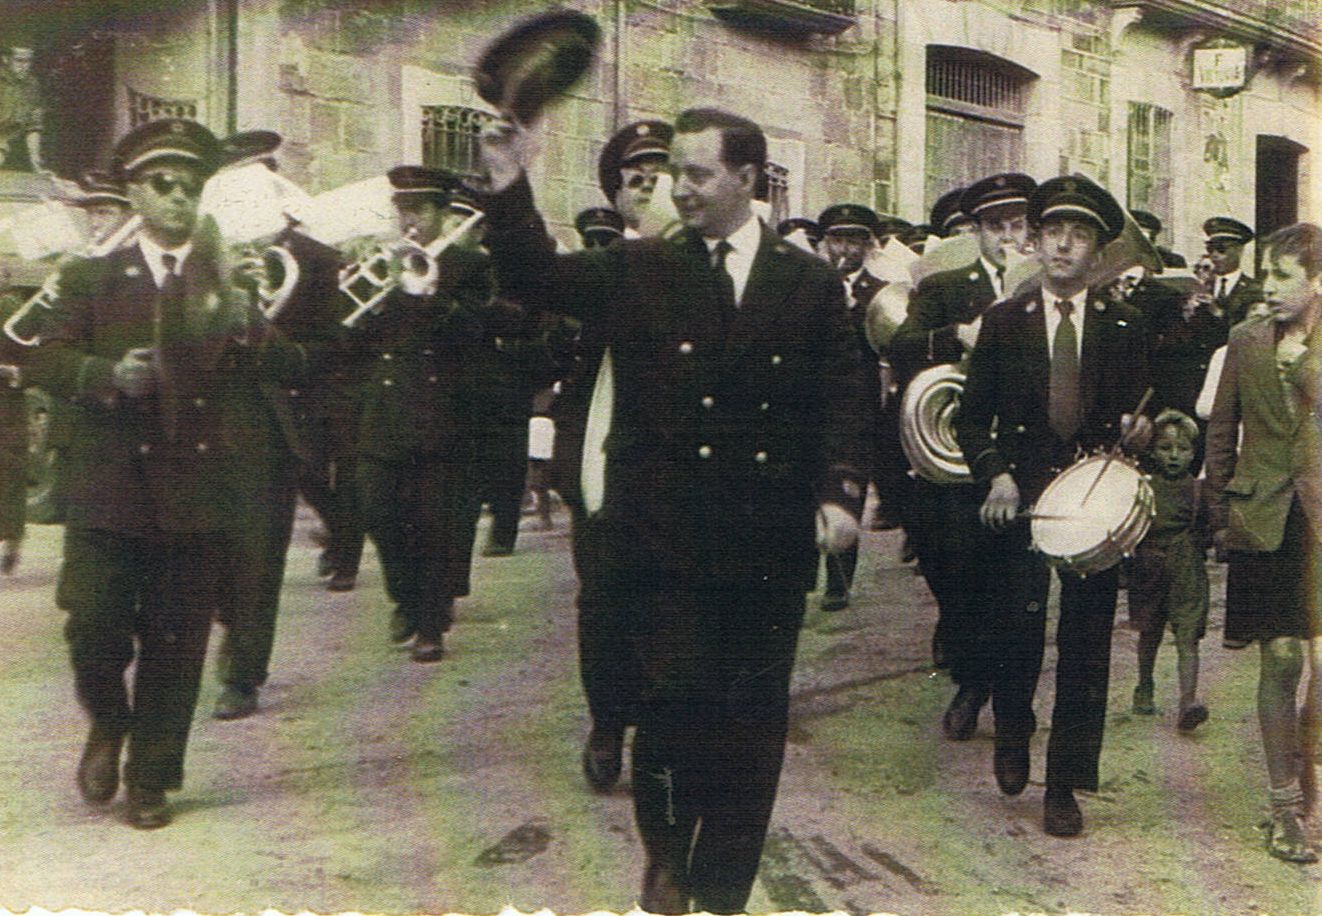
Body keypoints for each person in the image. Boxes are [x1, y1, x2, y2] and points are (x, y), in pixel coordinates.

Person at [477, 106, 868, 914]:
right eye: (669, 175)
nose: (674, 189)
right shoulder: (643, 267)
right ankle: (668, 857)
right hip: (664, 543)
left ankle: (721, 889)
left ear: (747, 181)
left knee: (753, 729)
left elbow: (844, 395)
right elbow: (532, 277)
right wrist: (510, 181)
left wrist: (838, 491)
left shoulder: (808, 284)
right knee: (671, 707)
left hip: (765, 545)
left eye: (695, 173)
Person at [27, 117, 304, 828]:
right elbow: (41, 358)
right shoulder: (90, 276)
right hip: (108, 488)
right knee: (92, 627)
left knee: (177, 641)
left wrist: (250, 327)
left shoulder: (227, 279)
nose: (179, 196)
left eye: (190, 185)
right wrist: (104, 372)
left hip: (199, 488)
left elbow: (293, 367)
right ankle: (109, 722)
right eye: (162, 184)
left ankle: (150, 778)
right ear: (135, 195)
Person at [954, 174, 1152, 838]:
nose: (1065, 246)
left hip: (1090, 504)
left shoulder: (1124, 325)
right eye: (1054, 234)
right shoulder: (1006, 322)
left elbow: (1139, 414)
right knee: (1015, 626)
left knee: (1087, 644)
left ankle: (1063, 782)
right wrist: (997, 476)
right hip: (1018, 501)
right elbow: (971, 419)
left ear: (1095, 251)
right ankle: (1013, 726)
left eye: (1080, 235)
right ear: (1035, 244)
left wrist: (1141, 431)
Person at [890, 172, 1035, 721]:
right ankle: (973, 678)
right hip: (954, 452)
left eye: (1017, 224)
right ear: (976, 232)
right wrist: (955, 335)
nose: (1008, 236)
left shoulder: (1046, 286)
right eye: (995, 226)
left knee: (1015, 581)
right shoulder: (945, 287)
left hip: (1020, 451)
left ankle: (1001, 698)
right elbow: (902, 347)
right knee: (956, 571)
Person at [1205, 221, 1322, 864]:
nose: (1268, 288)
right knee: (1280, 659)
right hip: (1266, 520)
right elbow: (1221, 432)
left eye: (1283, 276)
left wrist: (1302, 363)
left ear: (1317, 281)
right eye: (1265, 275)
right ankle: (1284, 811)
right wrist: (1220, 514)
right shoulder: (1243, 340)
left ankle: (1312, 792)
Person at [564, 122, 675, 795]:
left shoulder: (704, 264)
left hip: (678, 466)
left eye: (660, 174)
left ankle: (660, 735)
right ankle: (608, 722)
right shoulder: (598, 264)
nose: (647, 186)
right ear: (616, 192)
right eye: (635, 178)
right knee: (604, 601)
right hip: (602, 454)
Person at [351, 165, 493, 663]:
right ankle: (406, 599)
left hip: (441, 416)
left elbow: (478, 335)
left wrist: (431, 297)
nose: (409, 220)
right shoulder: (383, 262)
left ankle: (431, 621)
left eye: (420, 210)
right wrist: (371, 296)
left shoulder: (469, 266)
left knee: (434, 523)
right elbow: (354, 338)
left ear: (441, 214)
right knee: (382, 517)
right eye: (403, 210)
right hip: (384, 414)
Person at [816, 202, 887, 611]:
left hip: (860, 405)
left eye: (854, 241)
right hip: (813, 402)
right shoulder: (811, 285)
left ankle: (838, 580)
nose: (844, 249)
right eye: (837, 240)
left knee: (848, 487)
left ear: (867, 246)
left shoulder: (879, 292)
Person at [1128, 408, 1210, 732]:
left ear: (1193, 452)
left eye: (1183, 449)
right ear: (1151, 450)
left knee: (1188, 636)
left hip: (1186, 567)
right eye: (1165, 448)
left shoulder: (1199, 490)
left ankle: (1187, 702)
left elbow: (1207, 530)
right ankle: (1144, 686)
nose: (1174, 456)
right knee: (1150, 633)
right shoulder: (1143, 487)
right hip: (1149, 565)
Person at [0, 46, 42, 172]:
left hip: (7, 143)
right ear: (6, 59)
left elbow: (33, 126)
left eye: (28, 61)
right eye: (19, 61)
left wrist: (36, 163)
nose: (24, 66)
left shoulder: (32, 86)